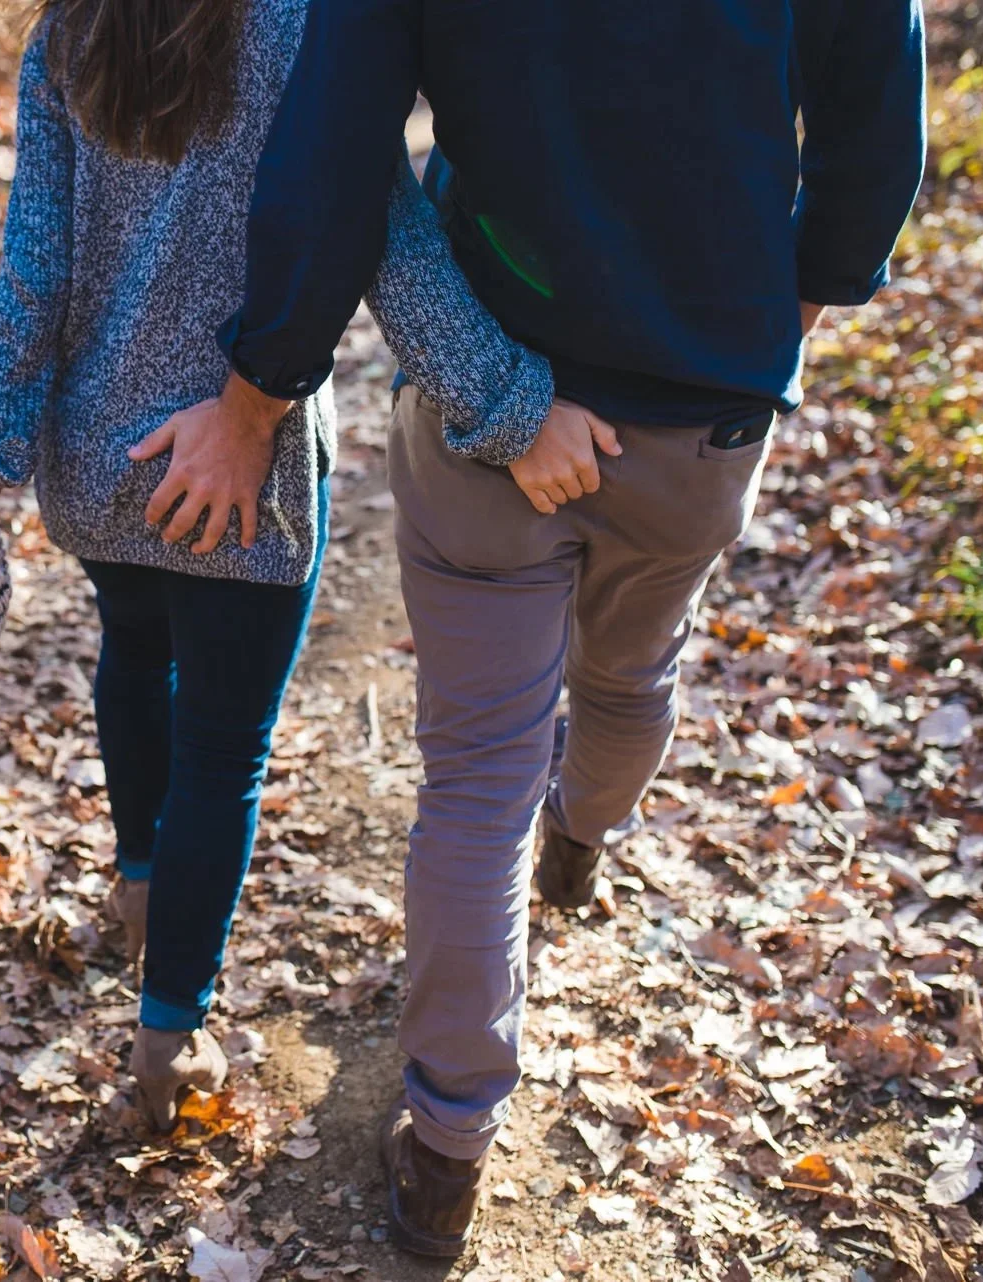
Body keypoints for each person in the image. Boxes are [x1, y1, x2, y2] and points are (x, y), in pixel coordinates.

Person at [154, 0, 928, 1255]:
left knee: (475, 780)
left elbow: (335, 147)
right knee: (630, 673)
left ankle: (449, 1148)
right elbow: (874, 128)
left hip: (494, 403)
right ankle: (585, 835)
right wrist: (793, 312)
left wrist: (265, 382)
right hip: (701, 414)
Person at [0, 0, 567, 1131]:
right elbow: (392, 243)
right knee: (222, 750)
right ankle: (169, 1035)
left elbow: (35, 259)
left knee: (132, 653)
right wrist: (513, 410)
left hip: (101, 453)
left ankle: (140, 888)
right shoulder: (312, 30)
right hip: (245, 468)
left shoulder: (77, 25)